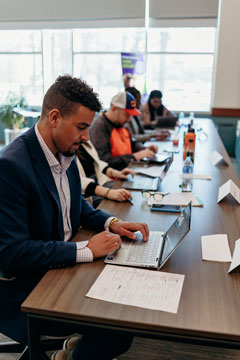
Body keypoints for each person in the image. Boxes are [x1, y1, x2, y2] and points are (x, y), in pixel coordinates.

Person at [0, 75, 149, 360]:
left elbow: (76, 206)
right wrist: (86, 249)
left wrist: (112, 223)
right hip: (29, 285)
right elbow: (12, 253)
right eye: (81, 127)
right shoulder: (11, 166)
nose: (85, 137)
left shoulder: (65, 151)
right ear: (54, 117)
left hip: (63, 265)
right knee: (116, 326)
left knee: (125, 308)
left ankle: (71, 353)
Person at [90, 91, 158, 170]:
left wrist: (144, 149)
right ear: (114, 108)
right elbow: (104, 160)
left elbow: (132, 144)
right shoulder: (99, 127)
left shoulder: (122, 124)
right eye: (126, 114)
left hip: (129, 170)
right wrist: (134, 156)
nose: (129, 119)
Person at [75, 140, 134, 207]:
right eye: (81, 128)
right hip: (85, 194)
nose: (87, 137)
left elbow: (97, 162)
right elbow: (76, 181)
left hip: (98, 183)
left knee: (127, 191)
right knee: (117, 205)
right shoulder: (66, 149)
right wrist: (108, 192)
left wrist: (116, 173)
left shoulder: (84, 141)